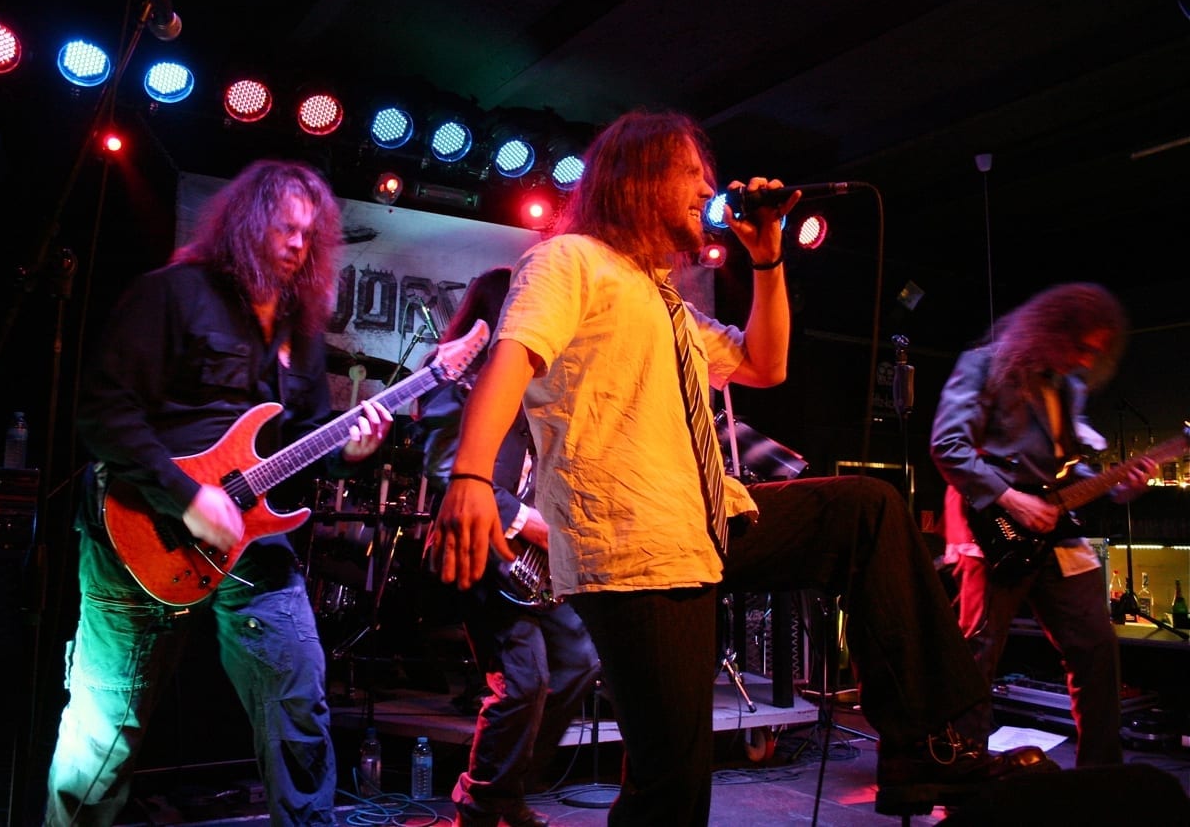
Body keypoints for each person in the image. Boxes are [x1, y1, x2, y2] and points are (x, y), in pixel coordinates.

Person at [428, 109, 1055, 825]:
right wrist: (470, 477)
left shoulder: (664, 298)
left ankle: (928, 744)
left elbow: (765, 363)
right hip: (634, 546)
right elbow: (512, 358)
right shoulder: (569, 259)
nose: (708, 187)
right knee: (672, 783)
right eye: (689, 172)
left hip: (705, 520)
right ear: (638, 180)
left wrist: (767, 257)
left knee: (866, 509)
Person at [44, 160, 395, 826]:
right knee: (103, 732)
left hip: (252, 541)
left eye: (309, 233)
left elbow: (304, 445)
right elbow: (103, 411)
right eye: (285, 227)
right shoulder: (174, 294)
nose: (298, 243)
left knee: (298, 705)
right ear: (247, 223)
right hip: (139, 528)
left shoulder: (299, 331)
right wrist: (186, 496)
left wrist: (349, 453)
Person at [930, 282, 1157, 767]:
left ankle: (1101, 771)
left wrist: (1117, 486)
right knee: (978, 651)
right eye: (1081, 347)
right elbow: (948, 445)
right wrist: (1011, 499)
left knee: (1096, 646)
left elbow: (1063, 466)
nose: (1086, 360)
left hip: (1055, 528)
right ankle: (961, 767)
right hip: (993, 526)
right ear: (1053, 331)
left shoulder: (1068, 386)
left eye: (1095, 352)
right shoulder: (985, 366)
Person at [414, 267, 600, 827]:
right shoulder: (451, 373)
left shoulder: (534, 382)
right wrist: (528, 522)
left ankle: (505, 791)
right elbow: (448, 469)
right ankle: (482, 803)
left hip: (534, 564)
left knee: (579, 663)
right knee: (524, 679)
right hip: (480, 550)